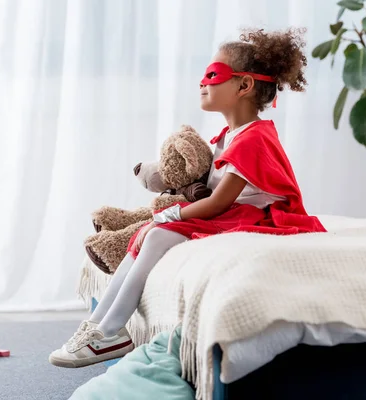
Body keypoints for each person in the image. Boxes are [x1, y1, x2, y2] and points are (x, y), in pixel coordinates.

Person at [49, 28, 326, 368]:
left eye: (213, 75)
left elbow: (220, 202)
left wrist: (173, 215)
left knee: (158, 233)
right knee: (148, 233)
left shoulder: (253, 138)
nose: (202, 82)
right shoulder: (229, 136)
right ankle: (97, 328)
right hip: (234, 213)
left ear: (244, 86)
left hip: (254, 217)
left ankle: (111, 331)